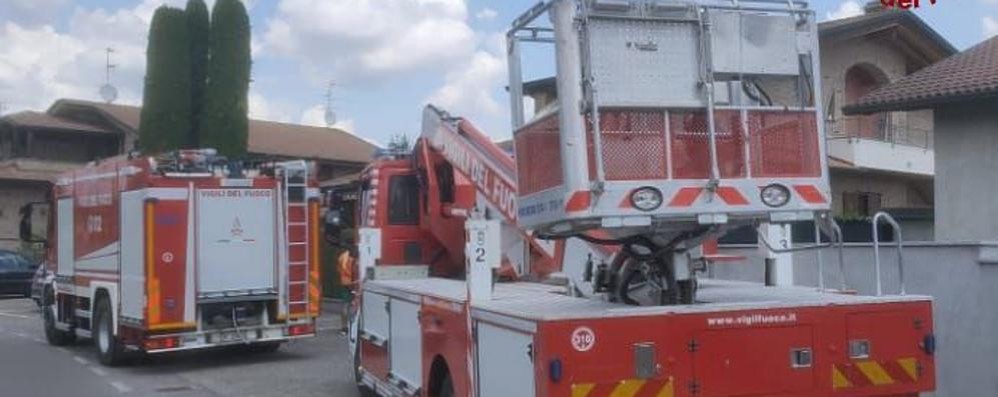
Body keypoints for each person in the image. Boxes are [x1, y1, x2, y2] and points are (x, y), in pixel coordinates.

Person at [337, 246, 358, 334]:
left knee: (345, 305)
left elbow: (338, 269)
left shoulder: (342, 257)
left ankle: (344, 327)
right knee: (354, 305)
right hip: (354, 283)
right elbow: (356, 271)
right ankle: (352, 326)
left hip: (345, 283)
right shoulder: (357, 259)